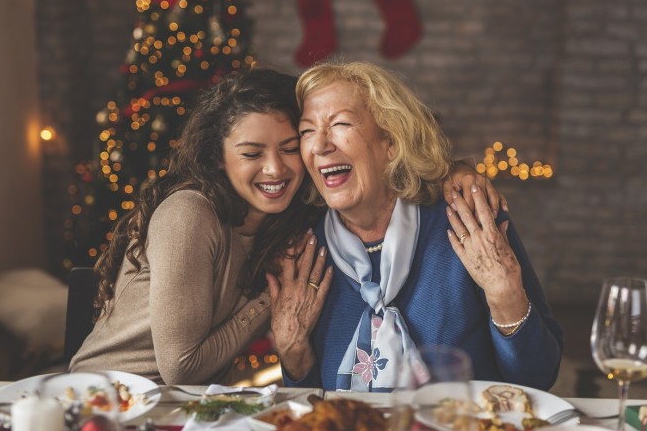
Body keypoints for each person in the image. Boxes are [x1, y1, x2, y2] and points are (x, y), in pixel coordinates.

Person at [69, 67, 502, 385]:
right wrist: (266, 301)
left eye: (291, 147)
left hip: (183, 406)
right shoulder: (190, 214)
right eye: (252, 153)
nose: (275, 169)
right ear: (219, 158)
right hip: (108, 399)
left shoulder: (295, 221)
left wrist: (456, 172)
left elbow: (387, 171)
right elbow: (181, 367)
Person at [269, 61, 563, 392]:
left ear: (391, 142)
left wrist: (505, 294)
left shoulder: (467, 219)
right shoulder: (306, 249)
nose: (320, 145)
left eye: (340, 124)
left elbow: (538, 378)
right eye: (307, 131)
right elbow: (307, 404)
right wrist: (293, 352)